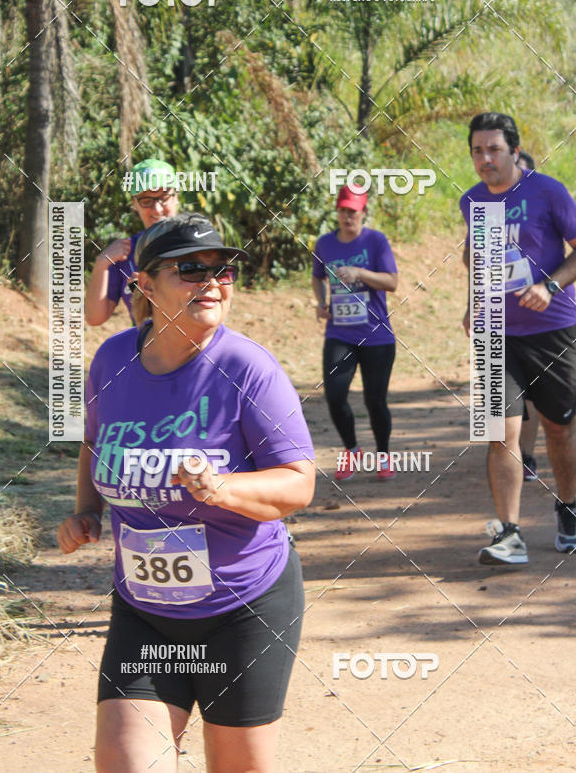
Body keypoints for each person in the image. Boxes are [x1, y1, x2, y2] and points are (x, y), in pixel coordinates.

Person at [58, 212, 316, 773]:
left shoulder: (248, 369)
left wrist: (221, 488)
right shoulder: (112, 359)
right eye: (191, 269)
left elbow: (299, 483)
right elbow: (94, 444)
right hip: (145, 612)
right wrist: (85, 510)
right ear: (144, 285)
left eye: (223, 269)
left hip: (243, 608)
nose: (212, 281)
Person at [460, 112, 576, 564]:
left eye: (493, 149)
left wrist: (549, 287)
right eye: (477, 151)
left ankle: (568, 510)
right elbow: (478, 258)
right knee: (499, 432)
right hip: (495, 331)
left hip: (553, 329)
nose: (485, 159)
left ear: (513, 150)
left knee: (559, 428)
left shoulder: (548, 191)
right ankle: (509, 533)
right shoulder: (472, 201)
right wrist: (473, 304)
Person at [311, 185, 397, 481]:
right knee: (334, 395)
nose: (348, 216)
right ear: (337, 212)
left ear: (364, 212)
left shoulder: (375, 241)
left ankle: (384, 456)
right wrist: (321, 302)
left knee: (375, 400)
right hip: (340, 333)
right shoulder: (325, 244)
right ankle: (352, 450)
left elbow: (392, 282)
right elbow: (317, 276)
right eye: (343, 210)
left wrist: (359, 273)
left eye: (353, 211)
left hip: (377, 336)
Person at [85, 158, 178, 326]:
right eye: (146, 201)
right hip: (147, 350)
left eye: (164, 197)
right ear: (135, 203)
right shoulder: (125, 254)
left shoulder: (199, 244)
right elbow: (94, 318)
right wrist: (101, 264)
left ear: (176, 196)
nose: (157, 209)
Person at [517, 150, 539, 482]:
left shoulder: (544, 205)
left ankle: (527, 456)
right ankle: (507, 453)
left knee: (533, 396)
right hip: (497, 318)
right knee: (501, 395)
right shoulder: (487, 207)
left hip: (541, 319)